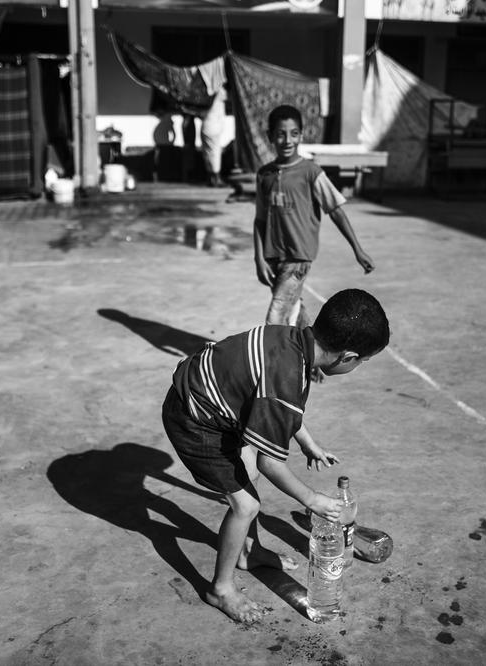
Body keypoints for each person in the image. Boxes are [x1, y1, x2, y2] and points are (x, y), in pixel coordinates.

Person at [161, 288, 390, 623]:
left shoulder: (293, 341)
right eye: (362, 362)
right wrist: (312, 499)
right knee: (245, 505)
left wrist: (307, 442)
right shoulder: (287, 376)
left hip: (214, 400)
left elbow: (281, 407)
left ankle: (249, 552)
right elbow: (271, 461)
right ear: (347, 357)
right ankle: (220, 589)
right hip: (194, 418)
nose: (359, 366)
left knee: (248, 474)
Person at [253, 104, 374, 331]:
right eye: (280, 134)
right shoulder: (264, 175)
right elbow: (260, 220)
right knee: (292, 309)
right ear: (270, 136)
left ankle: (274, 353)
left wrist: (357, 249)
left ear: (301, 135)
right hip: (273, 256)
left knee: (276, 316)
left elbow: (335, 211)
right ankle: (309, 346)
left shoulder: (311, 172)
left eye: (294, 133)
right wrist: (259, 258)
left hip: (298, 257)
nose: (287, 140)